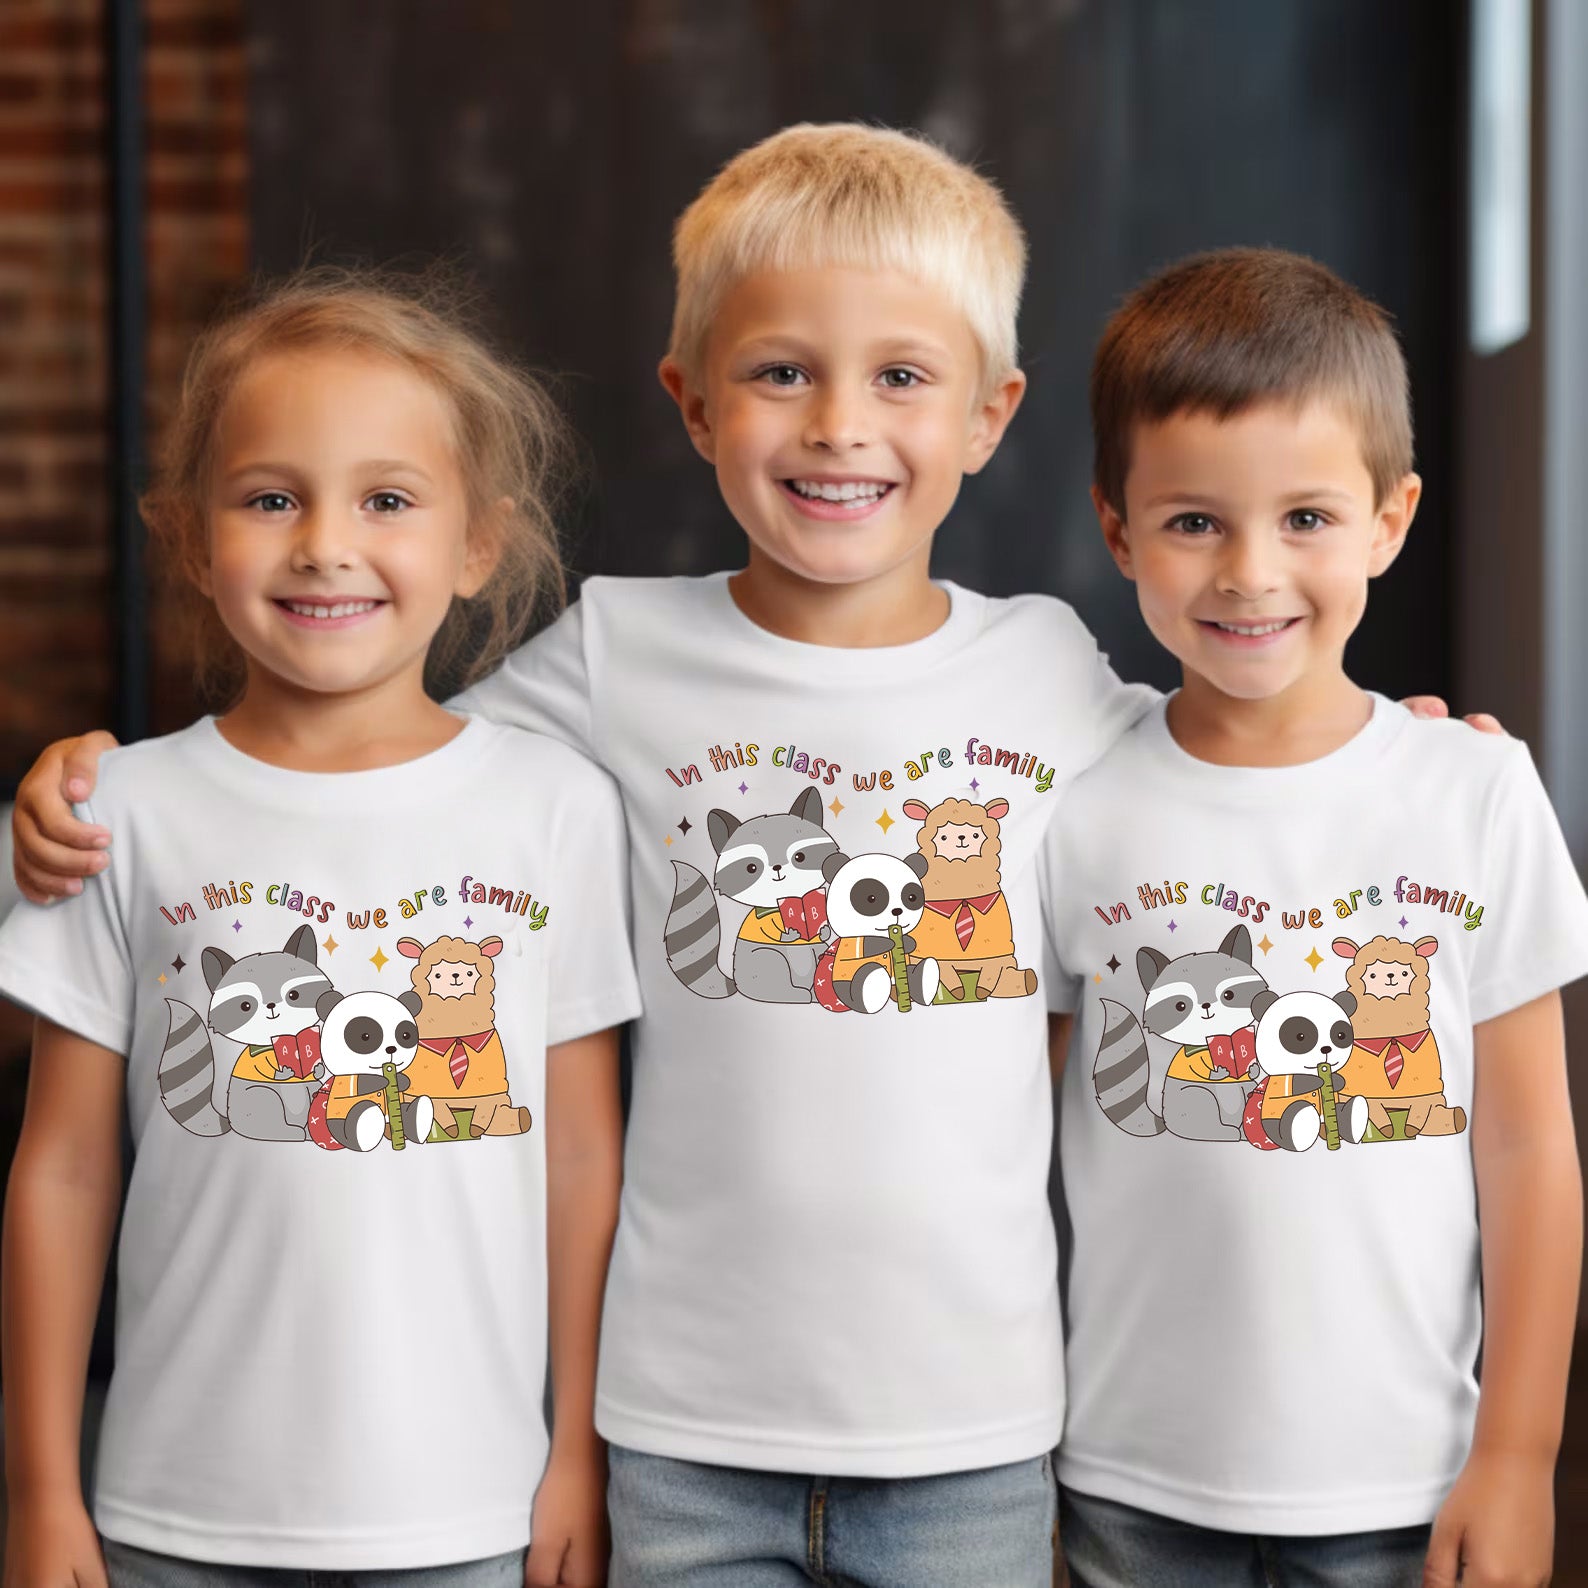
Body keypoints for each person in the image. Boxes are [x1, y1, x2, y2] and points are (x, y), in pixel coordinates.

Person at [0, 269, 640, 1588]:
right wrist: (41, 1492)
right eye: (270, 497)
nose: (324, 544)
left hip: (474, 1517)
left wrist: (575, 1453)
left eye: (387, 500)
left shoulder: (555, 809)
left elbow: (581, 1167)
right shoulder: (118, 808)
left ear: (478, 544)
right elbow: (61, 1173)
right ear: (190, 536)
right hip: (171, 1518)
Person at [1040, 247, 1588, 1588]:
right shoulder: (1072, 804)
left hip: (1406, 1481)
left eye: (1305, 519)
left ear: (1389, 522)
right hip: (1127, 1479)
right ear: (1118, 531)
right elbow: (1011, 1152)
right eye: (1193, 523)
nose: (1249, 574)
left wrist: (1517, 1454)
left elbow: (1528, 1151)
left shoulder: (1472, 789)